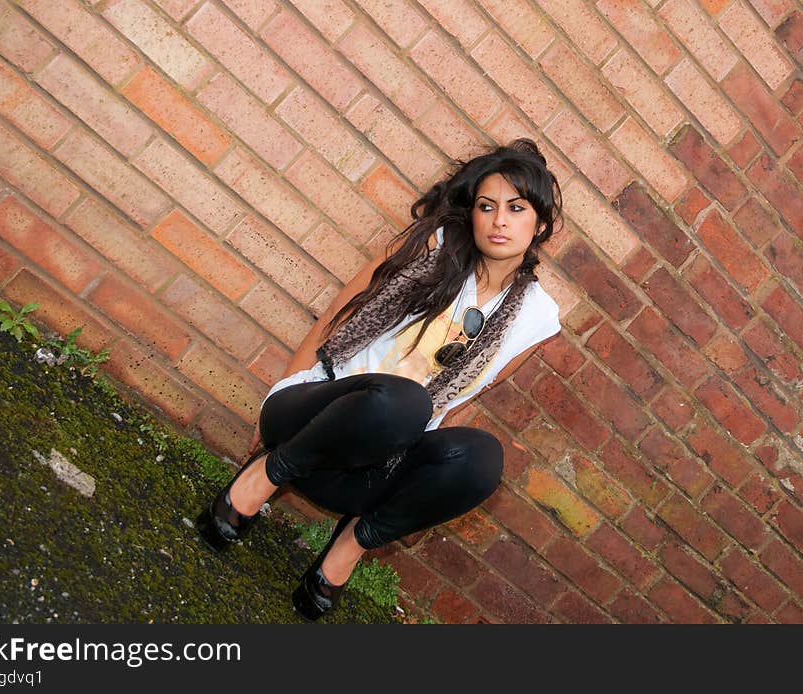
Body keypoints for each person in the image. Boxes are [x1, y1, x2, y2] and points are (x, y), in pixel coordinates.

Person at [197, 139, 563, 621]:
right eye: (486, 206)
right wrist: (282, 400)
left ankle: (348, 547)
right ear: (471, 213)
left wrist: (423, 492)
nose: (499, 221)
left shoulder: (537, 317)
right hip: (313, 420)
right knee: (403, 402)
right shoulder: (429, 247)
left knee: (481, 457)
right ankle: (266, 474)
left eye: (516, 209)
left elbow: (463, 398)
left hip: (376, 470)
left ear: (539, 225)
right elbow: (337, 315)